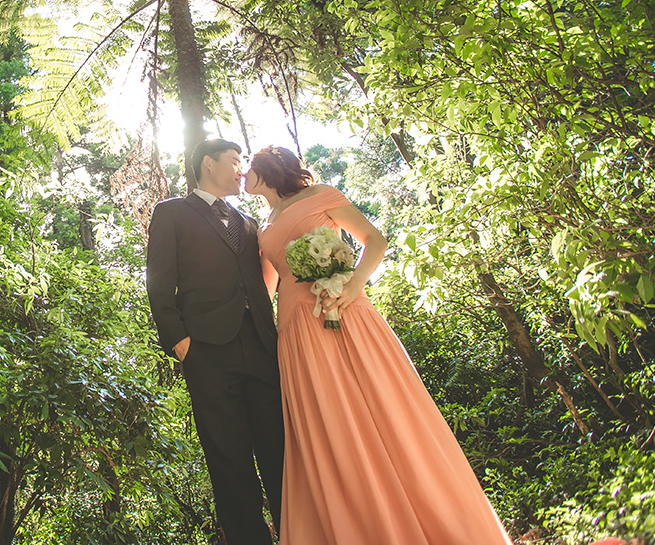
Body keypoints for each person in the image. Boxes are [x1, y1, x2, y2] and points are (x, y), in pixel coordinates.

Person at [245, 145, 513, 545]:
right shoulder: (262, 229)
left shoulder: (322, 196)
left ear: (267, 170)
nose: (242, 175)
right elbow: (267, 287)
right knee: (328, 423)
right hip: (297, 331)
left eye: (247, 167)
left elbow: (375, 239)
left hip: (344, 309)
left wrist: (353, 286)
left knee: (383, 406)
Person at [146, 139, 284, 544]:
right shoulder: (170, 213)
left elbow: (262, 282)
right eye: (235, 161)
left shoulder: (247, 221)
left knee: (280, 450)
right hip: (206, 350)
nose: (241, 169)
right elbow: (158, 281)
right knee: (228, 456)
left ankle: (295, 532)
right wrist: (179, 340)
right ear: (208, 163)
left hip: (261, 345)